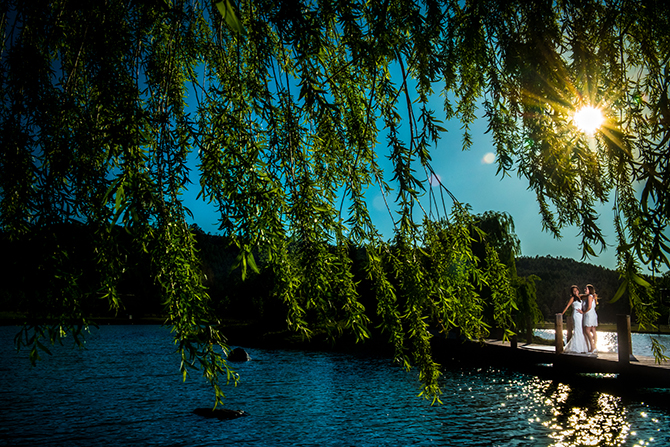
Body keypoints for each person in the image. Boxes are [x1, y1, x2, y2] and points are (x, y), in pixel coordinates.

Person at [561, 285, 589, 354]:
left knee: (581, 330)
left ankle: (581, 347)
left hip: (580, 315)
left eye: (576, 290)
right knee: (577, 330)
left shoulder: (580, 297)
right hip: (576, 315)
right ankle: (576, 348)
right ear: (572, 292)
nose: (576, 291)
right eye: (574, 291)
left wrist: (592, 293)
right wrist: (562, 313)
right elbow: (567, 306)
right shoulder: (572, 298)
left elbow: (588, 295)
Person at [583, 284, 599, 353]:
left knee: (587, 330)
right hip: (593, 314)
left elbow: (589, 307)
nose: (585, 290)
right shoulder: (592, 296)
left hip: (589, 314)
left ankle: (592, 347)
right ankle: (594, 346)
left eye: (586, 289)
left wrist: (583, 312)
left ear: (589, 290)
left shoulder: (589, 296)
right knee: (593, 330)